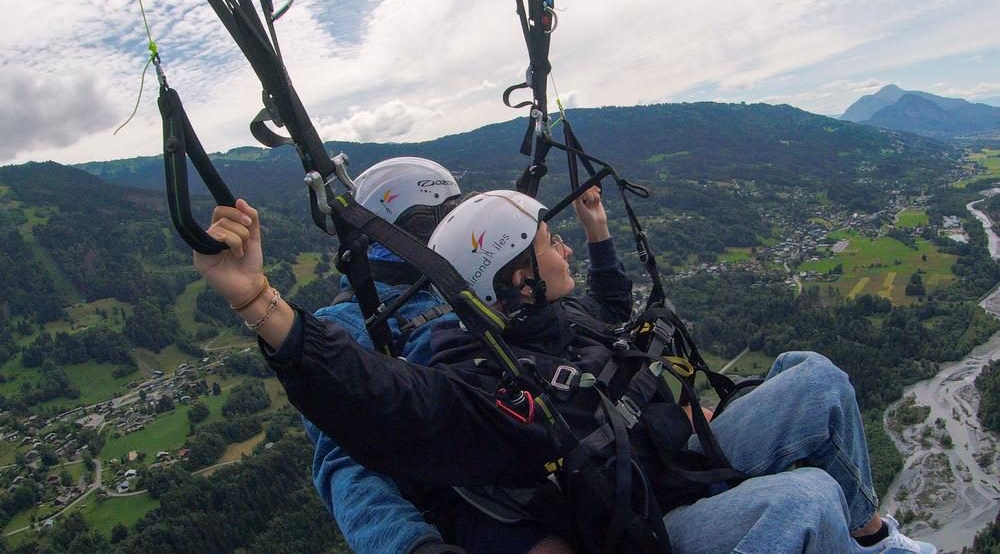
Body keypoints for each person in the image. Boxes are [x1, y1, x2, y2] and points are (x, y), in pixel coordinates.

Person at [194, 189, 937, 554]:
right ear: (516, 274)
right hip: (641, 525)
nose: (567, 255)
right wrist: (262, 304)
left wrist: (601, 234)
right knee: (805, 499)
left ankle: (871, 536)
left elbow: (617, 330)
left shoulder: (559, 316)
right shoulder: (485, 384)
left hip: (669, 459)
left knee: (816, 377)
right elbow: (385, 404)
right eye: (554, 244)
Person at [304, 157, 459, 553]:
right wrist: (412, 545)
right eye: (432, 223)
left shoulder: (452, 286)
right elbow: (345, 464)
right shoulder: (343, 328)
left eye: (455, 217)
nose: (449, 234)